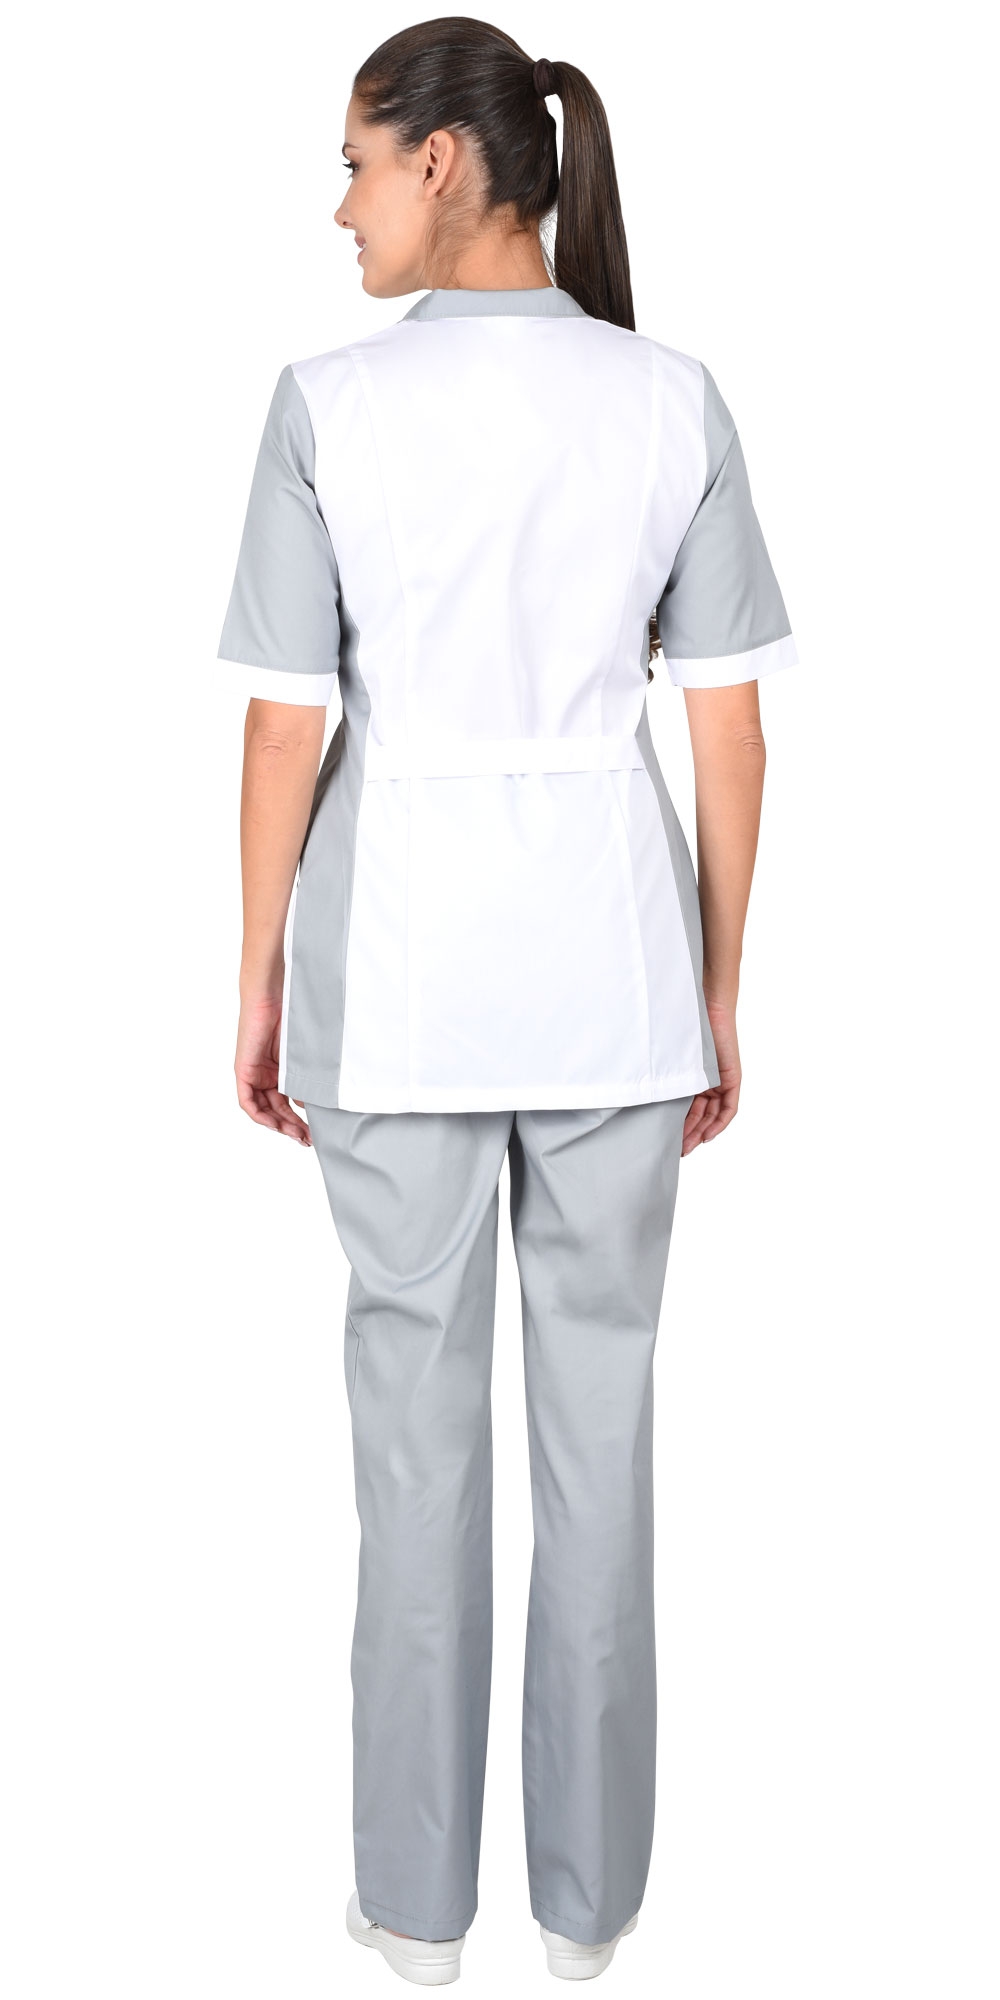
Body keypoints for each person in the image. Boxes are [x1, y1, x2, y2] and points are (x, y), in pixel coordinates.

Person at [217, 18, 799, 1986]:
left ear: (444, 164)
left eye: (355, 163)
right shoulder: (671, 397)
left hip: (392, 986)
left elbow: (283, 729)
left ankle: (411, 1908)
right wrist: (718, 986)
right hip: (617, 982)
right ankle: (588, 1907)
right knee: (599, 1448)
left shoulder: (325, 406)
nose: (340, 206)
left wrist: (255, 979)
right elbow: (726, 727)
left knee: (414, 1459)